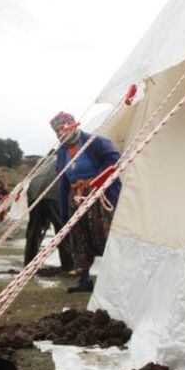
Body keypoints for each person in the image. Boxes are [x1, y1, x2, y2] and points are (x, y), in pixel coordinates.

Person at [50, 112, 122, 293]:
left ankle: (114, 279)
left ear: (72, 125)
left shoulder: (93, 142)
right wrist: (64, 214)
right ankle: (84, 280)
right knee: (79, 238)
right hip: (76, 198)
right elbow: (63, 182)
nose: (59, 134)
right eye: (56, 131)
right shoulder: (62, 152)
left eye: (62, 129)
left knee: (104, 235)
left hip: (99, 196)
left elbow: (113, 157)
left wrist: (96, 180)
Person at [24, 156, 74, 273]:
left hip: (35, 194)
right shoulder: (67, 160)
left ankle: (29, 263)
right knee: (62, 230)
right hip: (54, 194)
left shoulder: (46, 165)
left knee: (34, 230)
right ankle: (69, 266)